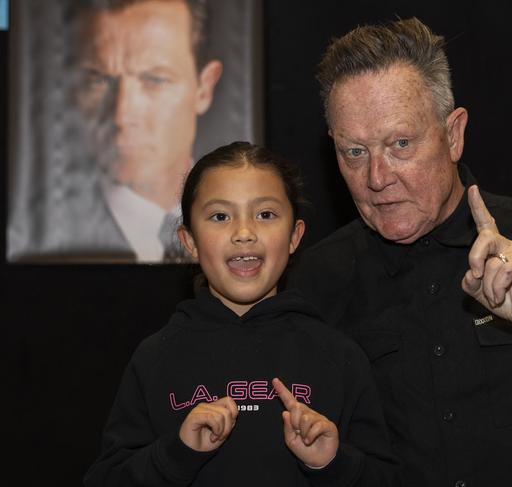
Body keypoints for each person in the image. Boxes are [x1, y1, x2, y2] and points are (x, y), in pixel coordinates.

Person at [285, 17, 512, 486]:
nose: (376, 177)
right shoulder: (314, 280)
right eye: (354, 152)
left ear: (453, 134)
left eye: (400, 144)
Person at [83, 142, 401, 486]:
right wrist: (178, 452)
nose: (244, 233)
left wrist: (332, 462)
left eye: (265, 214)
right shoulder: (154, 358)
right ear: (189, 241)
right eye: (220, 216)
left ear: (295, 236)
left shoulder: (340, 357)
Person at [73, 0, 223, 262]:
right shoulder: (52, 223)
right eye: (98, 79)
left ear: (204, 87)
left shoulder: (248, 225)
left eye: (155, 80)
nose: (122, 115)